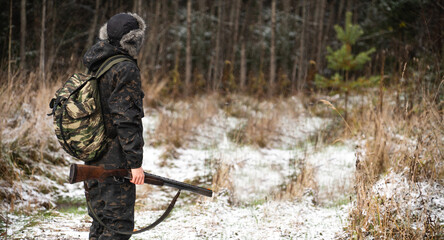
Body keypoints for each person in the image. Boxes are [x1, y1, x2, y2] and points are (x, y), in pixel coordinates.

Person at [82, 12, 146, 240]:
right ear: (133, 40)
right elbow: (126, 119)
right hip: (115, 162)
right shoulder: (125, 68)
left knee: (100, 223)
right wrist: (135, 163)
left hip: (93, 155)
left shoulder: (97, 64)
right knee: (118, 226)